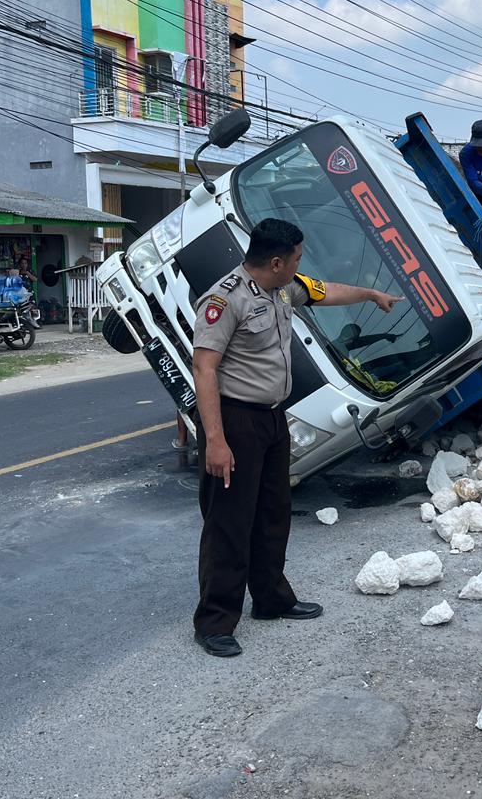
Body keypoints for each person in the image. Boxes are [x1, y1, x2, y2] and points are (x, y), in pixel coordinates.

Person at [190, 218, 403, 657]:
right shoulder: (224, 299)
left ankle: (271, 599)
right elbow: (204, 369)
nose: (300, 266)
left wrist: (371, 294)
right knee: (230, 521)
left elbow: (325, 291)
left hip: (272, 420)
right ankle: (214, 621)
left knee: (273, 513)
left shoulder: (283, 288)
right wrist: (215, 440)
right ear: (276, 261)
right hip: (235, 421)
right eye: (297, 260)